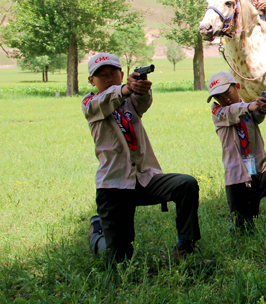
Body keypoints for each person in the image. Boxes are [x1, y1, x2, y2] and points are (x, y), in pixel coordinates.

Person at [82, 53, 209, 265]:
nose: (108, 78)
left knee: (185, 184)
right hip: (114, 185)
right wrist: (123, 89)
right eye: (101, 75)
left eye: (113, 72)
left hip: (143, 178)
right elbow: (104, 101)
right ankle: (97, 233)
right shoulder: (90, 103)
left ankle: (185, 248)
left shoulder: (129, 101)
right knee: (117, 260)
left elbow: (142, 101)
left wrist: (141, 88)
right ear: (91, 81)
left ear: (122, 74)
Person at [207, 72, 266, 233]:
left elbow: (256, 115)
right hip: (238, 178)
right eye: (220, 97)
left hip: (261, 170)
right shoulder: (218, 112)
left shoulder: (247, 107)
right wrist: (252, 106)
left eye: (227, 93)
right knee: (243, 230)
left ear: (237, 87)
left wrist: (264, 107)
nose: (225, 99)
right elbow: (234, 111)